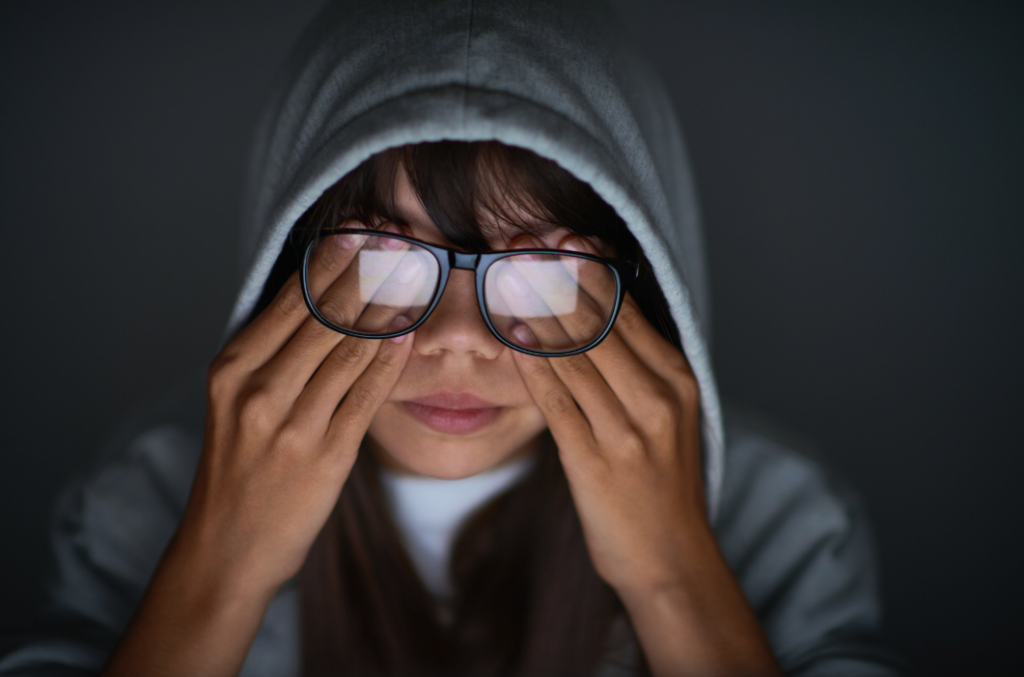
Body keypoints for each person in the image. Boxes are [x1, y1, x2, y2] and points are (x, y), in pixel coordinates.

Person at [0, 1, 905, 675]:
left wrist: (674, 576)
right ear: (283, 263)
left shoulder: (790, 528)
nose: (459, 339)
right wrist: (218, 573)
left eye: (546, 266)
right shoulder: (144, 501)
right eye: (381, 254)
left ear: (646, 274)